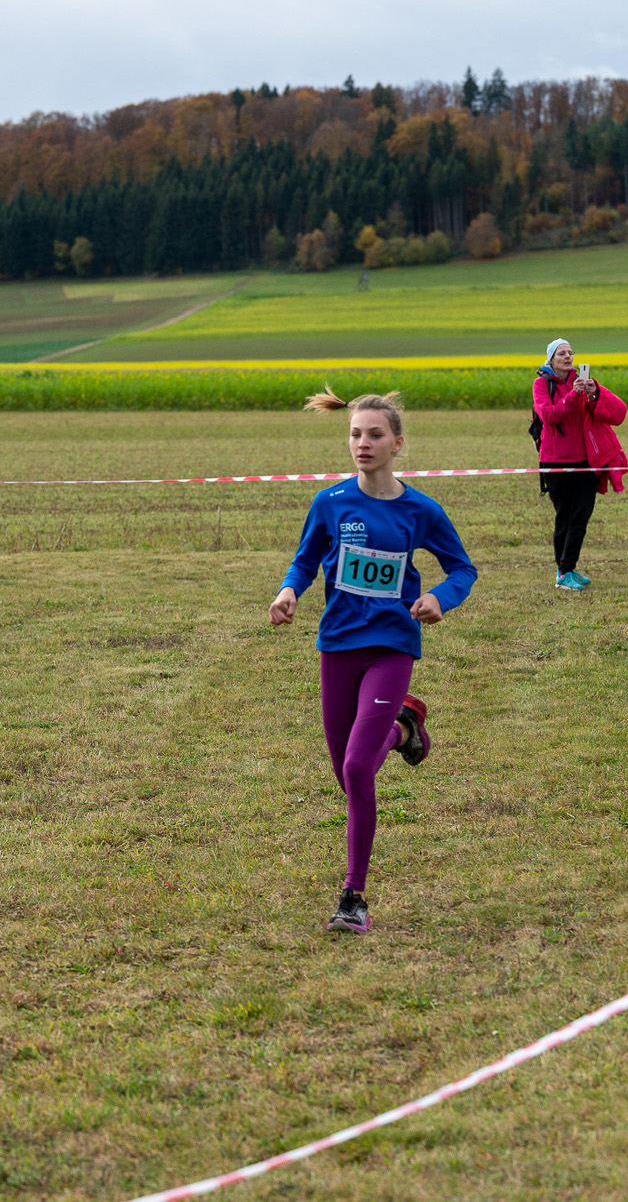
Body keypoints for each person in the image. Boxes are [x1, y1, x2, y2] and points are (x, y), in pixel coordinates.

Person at [271, 388, 478, 935]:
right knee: (347, 776)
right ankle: (404, 727)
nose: (362, 443)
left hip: (392, 646)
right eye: (355, 434)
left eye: (375, 435)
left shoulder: (421, 510)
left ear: (397, 444)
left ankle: (353, 896)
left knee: (359, 769)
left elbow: (463, 569)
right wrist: (289, 591)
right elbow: (305, 561)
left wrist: (439, 597)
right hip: (337, 646)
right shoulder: (330, 503)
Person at [530, 338, 628, 589]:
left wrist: (595, 393)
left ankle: (568, 568)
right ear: (551, 359)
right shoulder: (541, 384)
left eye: (570, 352)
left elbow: (618, 412)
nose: (567, 357)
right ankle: (564, 572)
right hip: (555, 462)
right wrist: (573, 395)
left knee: (581, 517)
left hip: (586, 461)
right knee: (565, 517)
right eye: (561, 353)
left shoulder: (582, 382)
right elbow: (550, 416)